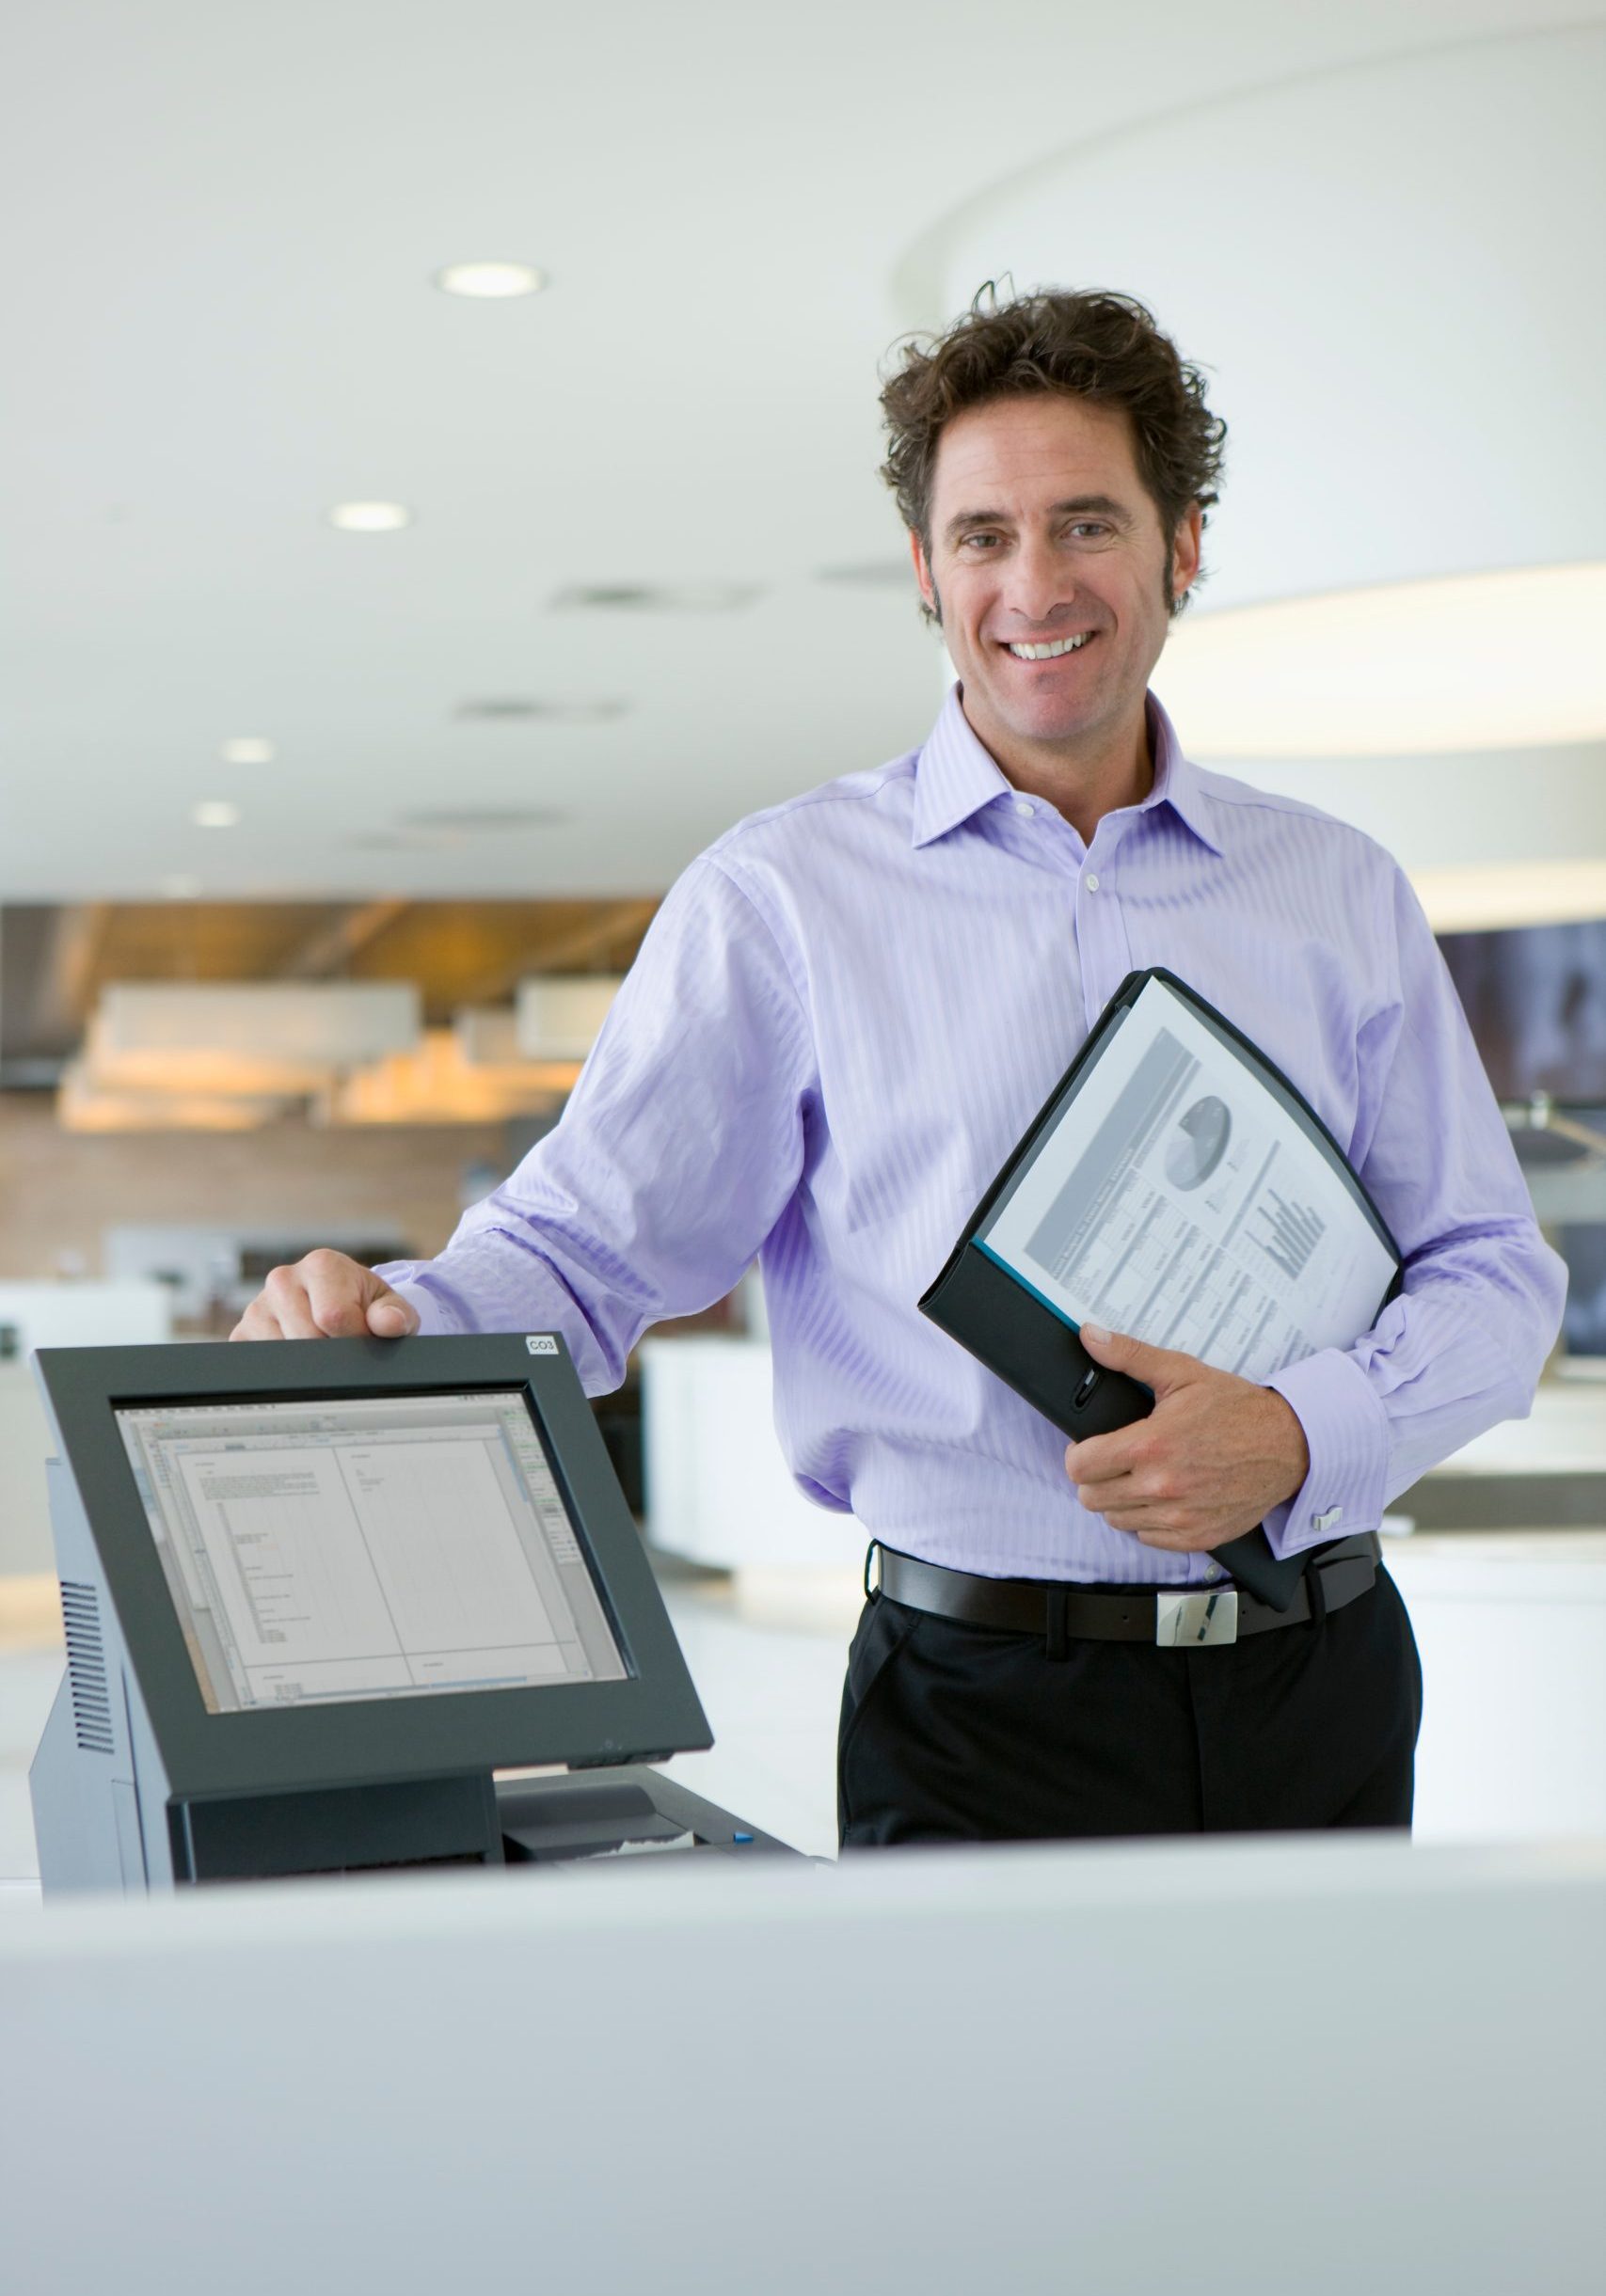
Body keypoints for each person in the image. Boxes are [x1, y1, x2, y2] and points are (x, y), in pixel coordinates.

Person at [232, 287, 1566, 1845]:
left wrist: (1297, 1432)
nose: (1036, 583)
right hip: (980, 1709)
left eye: (1088, 524)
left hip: (1320, 1682)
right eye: (985, 536)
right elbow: (587, 1252)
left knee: (1329, 2100)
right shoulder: (785, 897)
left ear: (1181, 549)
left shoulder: (1336, 890)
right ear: (926, 571)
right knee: (994, 2103)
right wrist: (384, 1316)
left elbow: (1491, 1273)